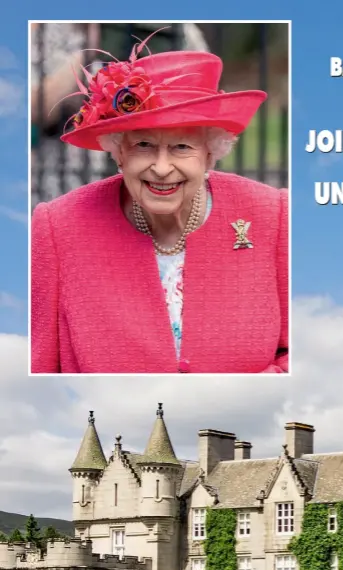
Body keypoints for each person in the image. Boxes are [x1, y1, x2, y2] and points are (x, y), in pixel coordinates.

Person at [30, 43, 288, 374]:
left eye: (182, 147)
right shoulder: (58, 226)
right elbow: (41, 368)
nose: (162, 168)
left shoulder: (273, 214)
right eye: (144, 145)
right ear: (118, 151)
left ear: (210, 152)